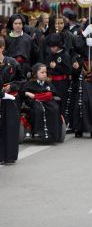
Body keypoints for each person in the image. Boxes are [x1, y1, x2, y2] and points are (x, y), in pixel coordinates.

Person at [21, 63, 61, 142]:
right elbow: (23, 92)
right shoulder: (30, 84)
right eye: (42, 72)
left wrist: (38, 95)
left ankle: (53, 134)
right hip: (35, 102)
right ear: (35, 74)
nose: (44, 74)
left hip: (48, 101)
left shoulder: (48, 83)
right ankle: (38, 133)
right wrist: (27, 93)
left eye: (45, 72)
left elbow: (52, 93)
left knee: (55, 109)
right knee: (38, 110)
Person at [0, 36, 24, 165]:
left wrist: (12, 86)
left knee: (11, 126)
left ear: (2, 48)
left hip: (11, 98)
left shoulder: (12, 63)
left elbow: (22, 79)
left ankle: (10, 156)